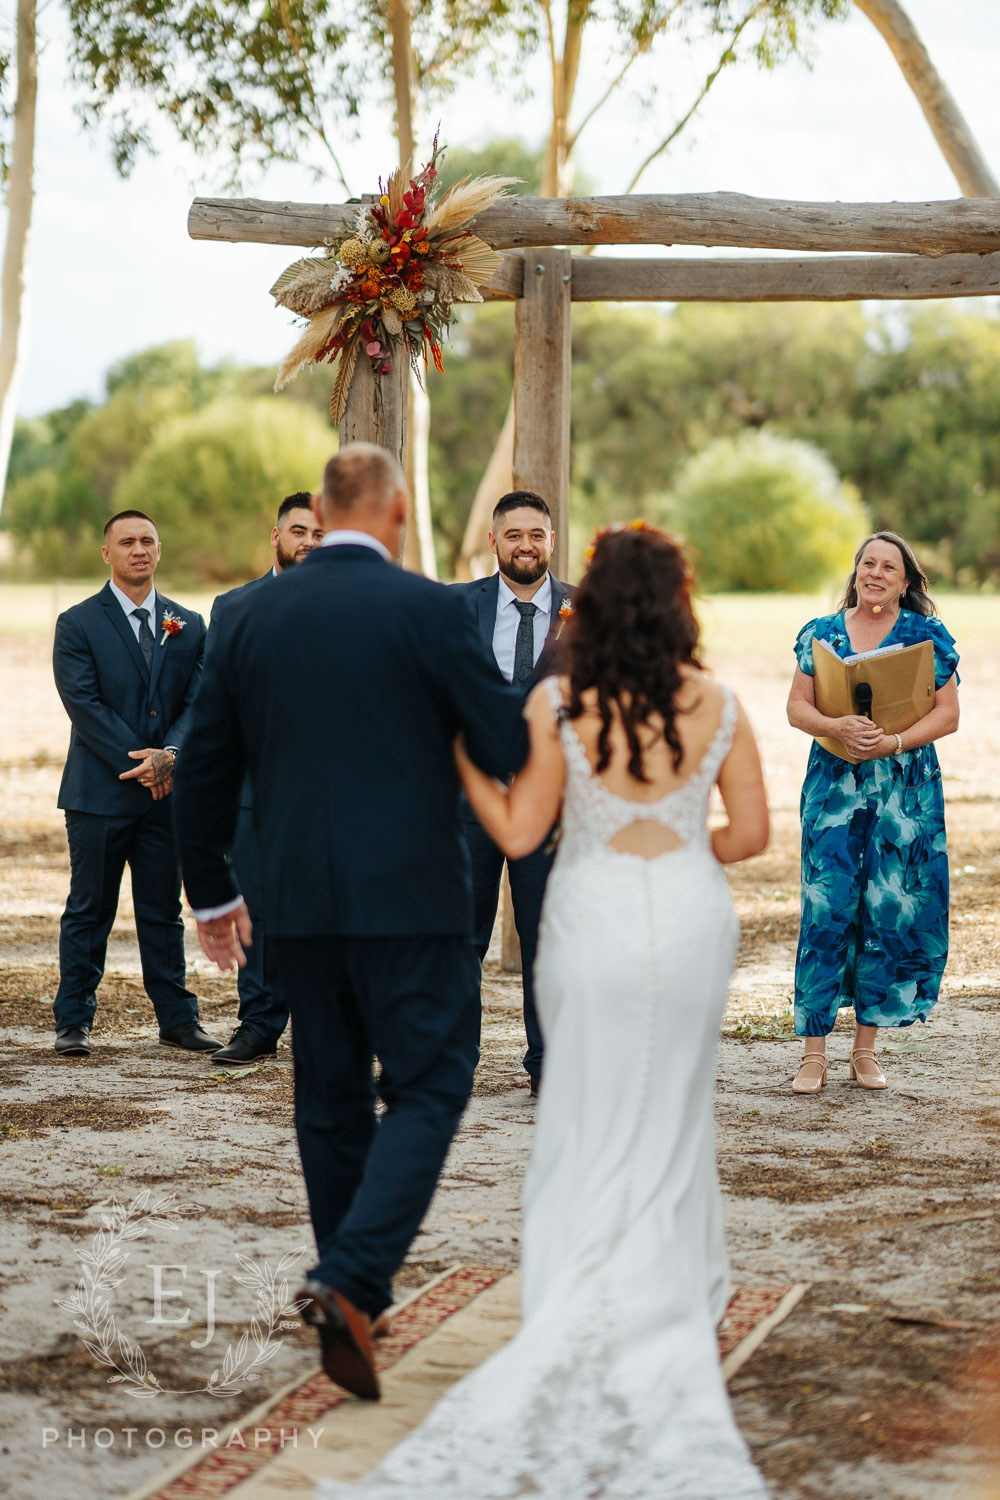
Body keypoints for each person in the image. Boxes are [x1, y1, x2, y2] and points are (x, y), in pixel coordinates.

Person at [315, 522, 770, 1498]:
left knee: (585, 1105)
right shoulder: (720, 704)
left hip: (591, 918)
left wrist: (459, 758)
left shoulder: (558, 703)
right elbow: (751, 836)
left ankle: (582, 1280)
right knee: (674, 1107)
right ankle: (671, 1283)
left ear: (588, 606)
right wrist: (676, 852)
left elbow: (521, 834)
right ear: (680, 605)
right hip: (690, 921)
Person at [172, 443, 527, 1401]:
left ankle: (352, 1298)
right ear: (398, 514)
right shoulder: (433, 610)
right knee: (432, 1082)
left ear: (320, 517)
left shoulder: (250, 614)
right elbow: (503, 741)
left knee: (328, 1099)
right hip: (412, 896)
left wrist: (212, 896)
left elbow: (204, 766)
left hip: (294, 898)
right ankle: (352, 1276)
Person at [786, 531, 959, 1094]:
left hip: (904, 793)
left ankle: (865, 1050)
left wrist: (895, 742)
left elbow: (949, 715)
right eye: (868, 563)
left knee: (887, 909)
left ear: (905, 583)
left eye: (889, 567)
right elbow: (796, 707)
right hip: (834, 792)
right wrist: (835, 725)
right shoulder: (821, 634)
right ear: (856, 571)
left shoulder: (926, 637)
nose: (876, 573)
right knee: (826, 908)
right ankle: (813, 1054)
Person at [51, 510, 216, 1058]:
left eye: (147, 540)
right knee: (89, 908)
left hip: (165, 798)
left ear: (159, 550)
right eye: (126, 542)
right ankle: (74, 1020)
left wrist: (171, 756)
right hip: (99, 794)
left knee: (163, 910)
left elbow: (199, 701)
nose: (138, 549)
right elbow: (84, 703)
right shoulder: (77, 623)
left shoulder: (188, 623)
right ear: (107, 553)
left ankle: (177, 1019)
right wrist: (144, 762)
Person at [453, 491, 573, 1095]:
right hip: (469, 801)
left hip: (551, 805)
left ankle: (550, 1066)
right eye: (513, 534)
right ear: (494, 541)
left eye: (536, 534)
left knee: (547, 939)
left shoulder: (587, 611)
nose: (525, 545)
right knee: (458, 938)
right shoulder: (455, 606)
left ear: (551, 540)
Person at [207, 491, 326, 1066]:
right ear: (276, 537)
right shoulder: (233, 607)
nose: (309, 542)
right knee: (255, 907)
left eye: (320, 534)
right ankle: (258, 1022)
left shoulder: (353, 605)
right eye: (299, 531)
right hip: (254, 786)